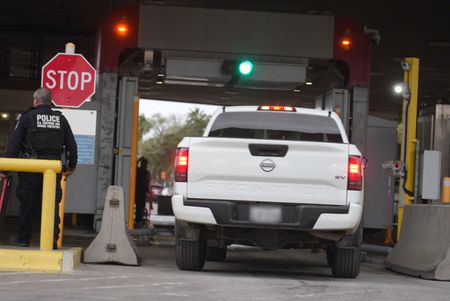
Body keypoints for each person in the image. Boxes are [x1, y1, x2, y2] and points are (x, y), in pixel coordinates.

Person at [0, 88, 77, 249]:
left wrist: (4, 170)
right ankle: (52, 240)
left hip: (30, 168)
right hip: (53, 169)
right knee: (52, 204)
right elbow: (72, 145)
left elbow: (14, 145)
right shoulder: (61, 120)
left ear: (35, 101)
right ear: (50, 102)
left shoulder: (27, 118)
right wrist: (70, 166)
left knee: (27, 202)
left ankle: (23, 239)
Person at [135, 157, 150, 227]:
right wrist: (138, 160)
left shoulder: (147, 173)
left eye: (146, 164)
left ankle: (139, 221)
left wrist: (147, 192)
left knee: (141, 208)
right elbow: (134, 165)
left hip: (143, 193)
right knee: (138, 207)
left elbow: (147, 183)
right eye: (144, 163)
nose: (145, 165)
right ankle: (138, 221)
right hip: (137, 192)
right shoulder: (138, 170)